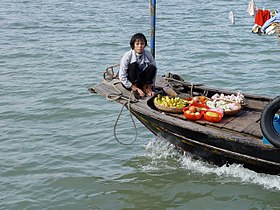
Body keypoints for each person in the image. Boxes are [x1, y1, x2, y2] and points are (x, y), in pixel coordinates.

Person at [119, 33, 157, 97]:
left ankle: (145, 86)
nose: (140, 46)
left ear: (145, 45)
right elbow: (122, 76)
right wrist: (132, 86)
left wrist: (151, 85)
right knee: (133, 65)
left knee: (152, 67)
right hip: (130, 81)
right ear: (133, 45)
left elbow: (154, 71)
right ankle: (136, 88)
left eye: (142, 44)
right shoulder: (127, 56)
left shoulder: (148, 54)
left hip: (140, 78)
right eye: (137, 44)